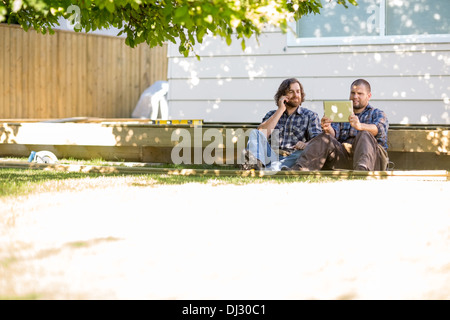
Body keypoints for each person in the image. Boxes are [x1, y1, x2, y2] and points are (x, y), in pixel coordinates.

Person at [290, 79, 389, 171]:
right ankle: (299, 170)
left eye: (360, 94)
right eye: (353, 93)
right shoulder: (342, 113)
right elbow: (334, 134)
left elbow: (378, 129)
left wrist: (360, 126)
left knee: (364, 134)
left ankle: (362, 173)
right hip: (345, 159)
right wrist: (327, 128)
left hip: (371, 160)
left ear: (369, 96)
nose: (355, 96)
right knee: (324, 137)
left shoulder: (377, 113)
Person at [240, 78, 322, 171]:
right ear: (283, 95)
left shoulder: (310, 116)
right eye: (291, 92)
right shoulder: (271, 114)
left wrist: (306, 144)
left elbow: (318, 141)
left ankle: (265, 169)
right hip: (271, 156)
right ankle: (257, 164)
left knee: (303, 153)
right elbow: (261, 133)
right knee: (255, 133)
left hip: (293, 157)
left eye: (298, 92)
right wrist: (280, 110)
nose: (296, 95)